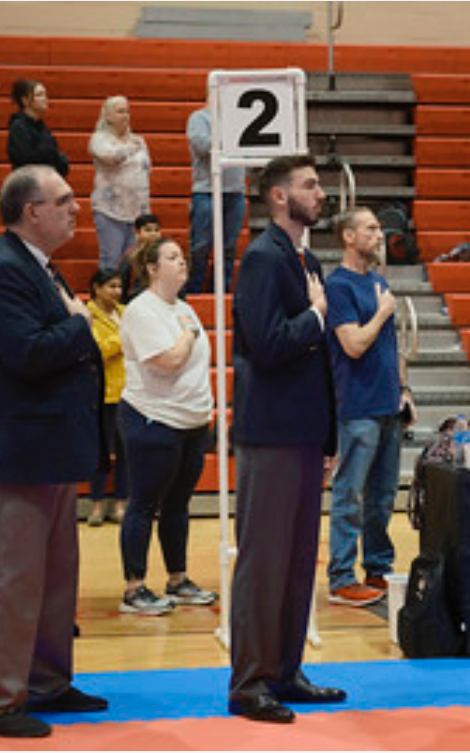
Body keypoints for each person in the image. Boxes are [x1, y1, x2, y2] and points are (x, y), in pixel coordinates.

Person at [0, 165, 108, 738]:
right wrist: (81, 323)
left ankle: (47, 681)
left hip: (47, 448)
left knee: (53, 579)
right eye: (65, 200)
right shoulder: (2, 271)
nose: (77, 208)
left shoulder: (37, 267)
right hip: (18, 451)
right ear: (32, 211)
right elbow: (26, 353)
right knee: (12, 580)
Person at [229, 154, 346, 724]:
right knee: (265, 562)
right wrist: (318, 317)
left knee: (299, 562)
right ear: (278, 196)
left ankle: (284, 669)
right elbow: (269, 343)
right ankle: (250, 681)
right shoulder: (261, 258)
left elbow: (317, 362)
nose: (320, 193)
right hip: (270, 432)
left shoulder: (304, 257)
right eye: (309, 185)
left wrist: (327, 436)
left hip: (301, 433)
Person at [117, 238, 216, 616]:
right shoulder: (142, 311)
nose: (182, 263)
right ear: (153, 269)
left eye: (183, 257)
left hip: (192, 422)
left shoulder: (185, 309)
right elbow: (171, 360)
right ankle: (134, 588)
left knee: (178, 504)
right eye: (172, 257)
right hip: (153, 419)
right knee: (143, 503)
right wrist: (187, 335)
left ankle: (178, 579)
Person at [325, 207, 416, 607]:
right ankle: (341, 576)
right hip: (357, 406)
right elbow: (354, 344)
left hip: (387, 404)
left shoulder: (378, 281)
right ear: (348, 236)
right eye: (372, 228)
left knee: (381, 496)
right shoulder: (339, 286)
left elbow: (388, 347)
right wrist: (382, 313)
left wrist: (404, 389)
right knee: (350, 495)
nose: (380, 235)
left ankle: (377, 566)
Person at [186, 101, 248, 294]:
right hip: (207, 189)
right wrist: (233, 139)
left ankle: (220, 290)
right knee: (201, 245)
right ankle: (194, 291)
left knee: (229, 246)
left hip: (235, 189)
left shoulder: (240, 119)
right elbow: (202, 147)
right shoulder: (200, 117)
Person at [88, 95, 152, 271]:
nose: (126, 116)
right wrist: (130, 149)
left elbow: (146, 171)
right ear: (108, 116)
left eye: (127, 111)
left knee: (132, 263)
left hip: (137, 210)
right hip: (110, 210)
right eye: (120, 111)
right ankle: (105, 297)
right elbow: (109, 157)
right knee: (111, 259)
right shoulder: (99, 139)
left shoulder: (139, 140)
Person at [86, 267, 127, 527]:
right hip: (102, 392)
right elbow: (96, 349)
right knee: (99, 451)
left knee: (126, 452)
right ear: (97, 288)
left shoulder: (127, 313)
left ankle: (121, 502)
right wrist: (123, 337)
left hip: (129, 392)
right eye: (111, 286)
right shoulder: (87, 315)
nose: (117, 292)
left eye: (119, 287)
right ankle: (97, 504)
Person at [6, 79, 69, 177]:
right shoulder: (19, 128)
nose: (45, 98)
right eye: (39, 95)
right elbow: (27, 160)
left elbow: (60, 163)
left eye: (45, 94)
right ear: (25, 101)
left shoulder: (42, 127)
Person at [118, 212, 160, 303]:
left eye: (156, 230)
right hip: (136, 301)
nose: (153, 234)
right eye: (148, 230)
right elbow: (123, 286)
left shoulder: (165, 255)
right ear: (137, 233)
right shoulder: (130, 257)